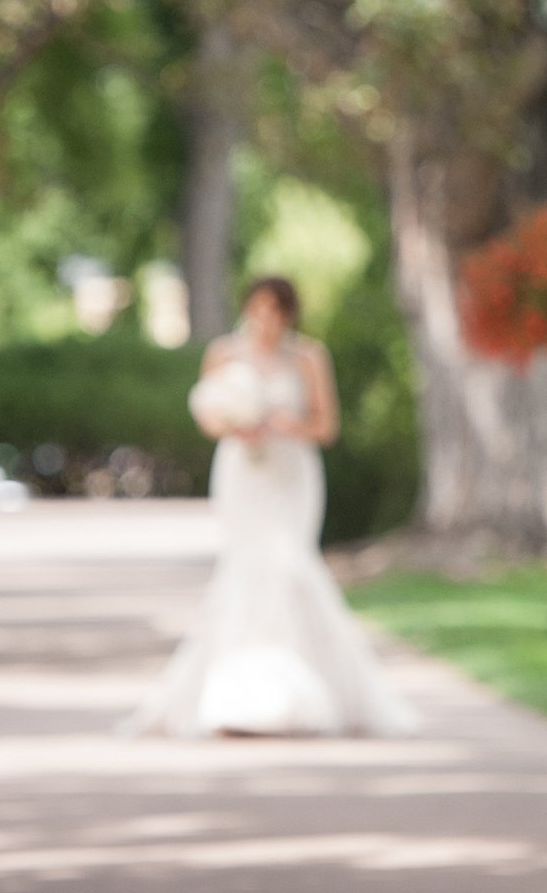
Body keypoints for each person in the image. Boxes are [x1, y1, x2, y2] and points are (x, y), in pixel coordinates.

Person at [116, 276, 416, 739]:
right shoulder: (224, 353)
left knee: (291, 567)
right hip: (244, 477)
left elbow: (326, 426)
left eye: (277, 311)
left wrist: (282, 424)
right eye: (259, 309)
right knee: (245, 571)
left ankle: (307, 697)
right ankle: (239, 698)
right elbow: (208, 417)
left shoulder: (309, 357)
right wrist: (238, 426)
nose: (267, 320)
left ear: (289, 314)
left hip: (291, 475)